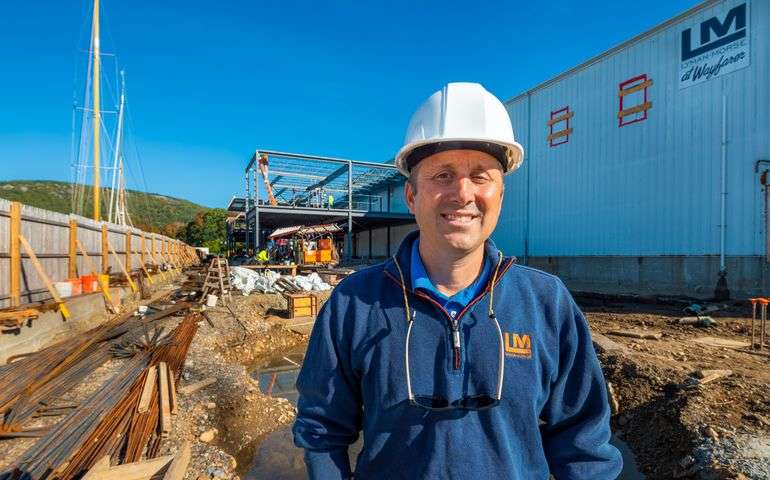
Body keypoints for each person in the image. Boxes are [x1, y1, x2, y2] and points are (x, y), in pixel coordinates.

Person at [293, 82, 622, 479]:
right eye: (442, 175)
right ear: (412, 196)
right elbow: (321, 434)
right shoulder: (354, 304)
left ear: (501, 194)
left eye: (481, 176)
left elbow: (584, 445)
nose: (462, 193)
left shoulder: (545, 303)